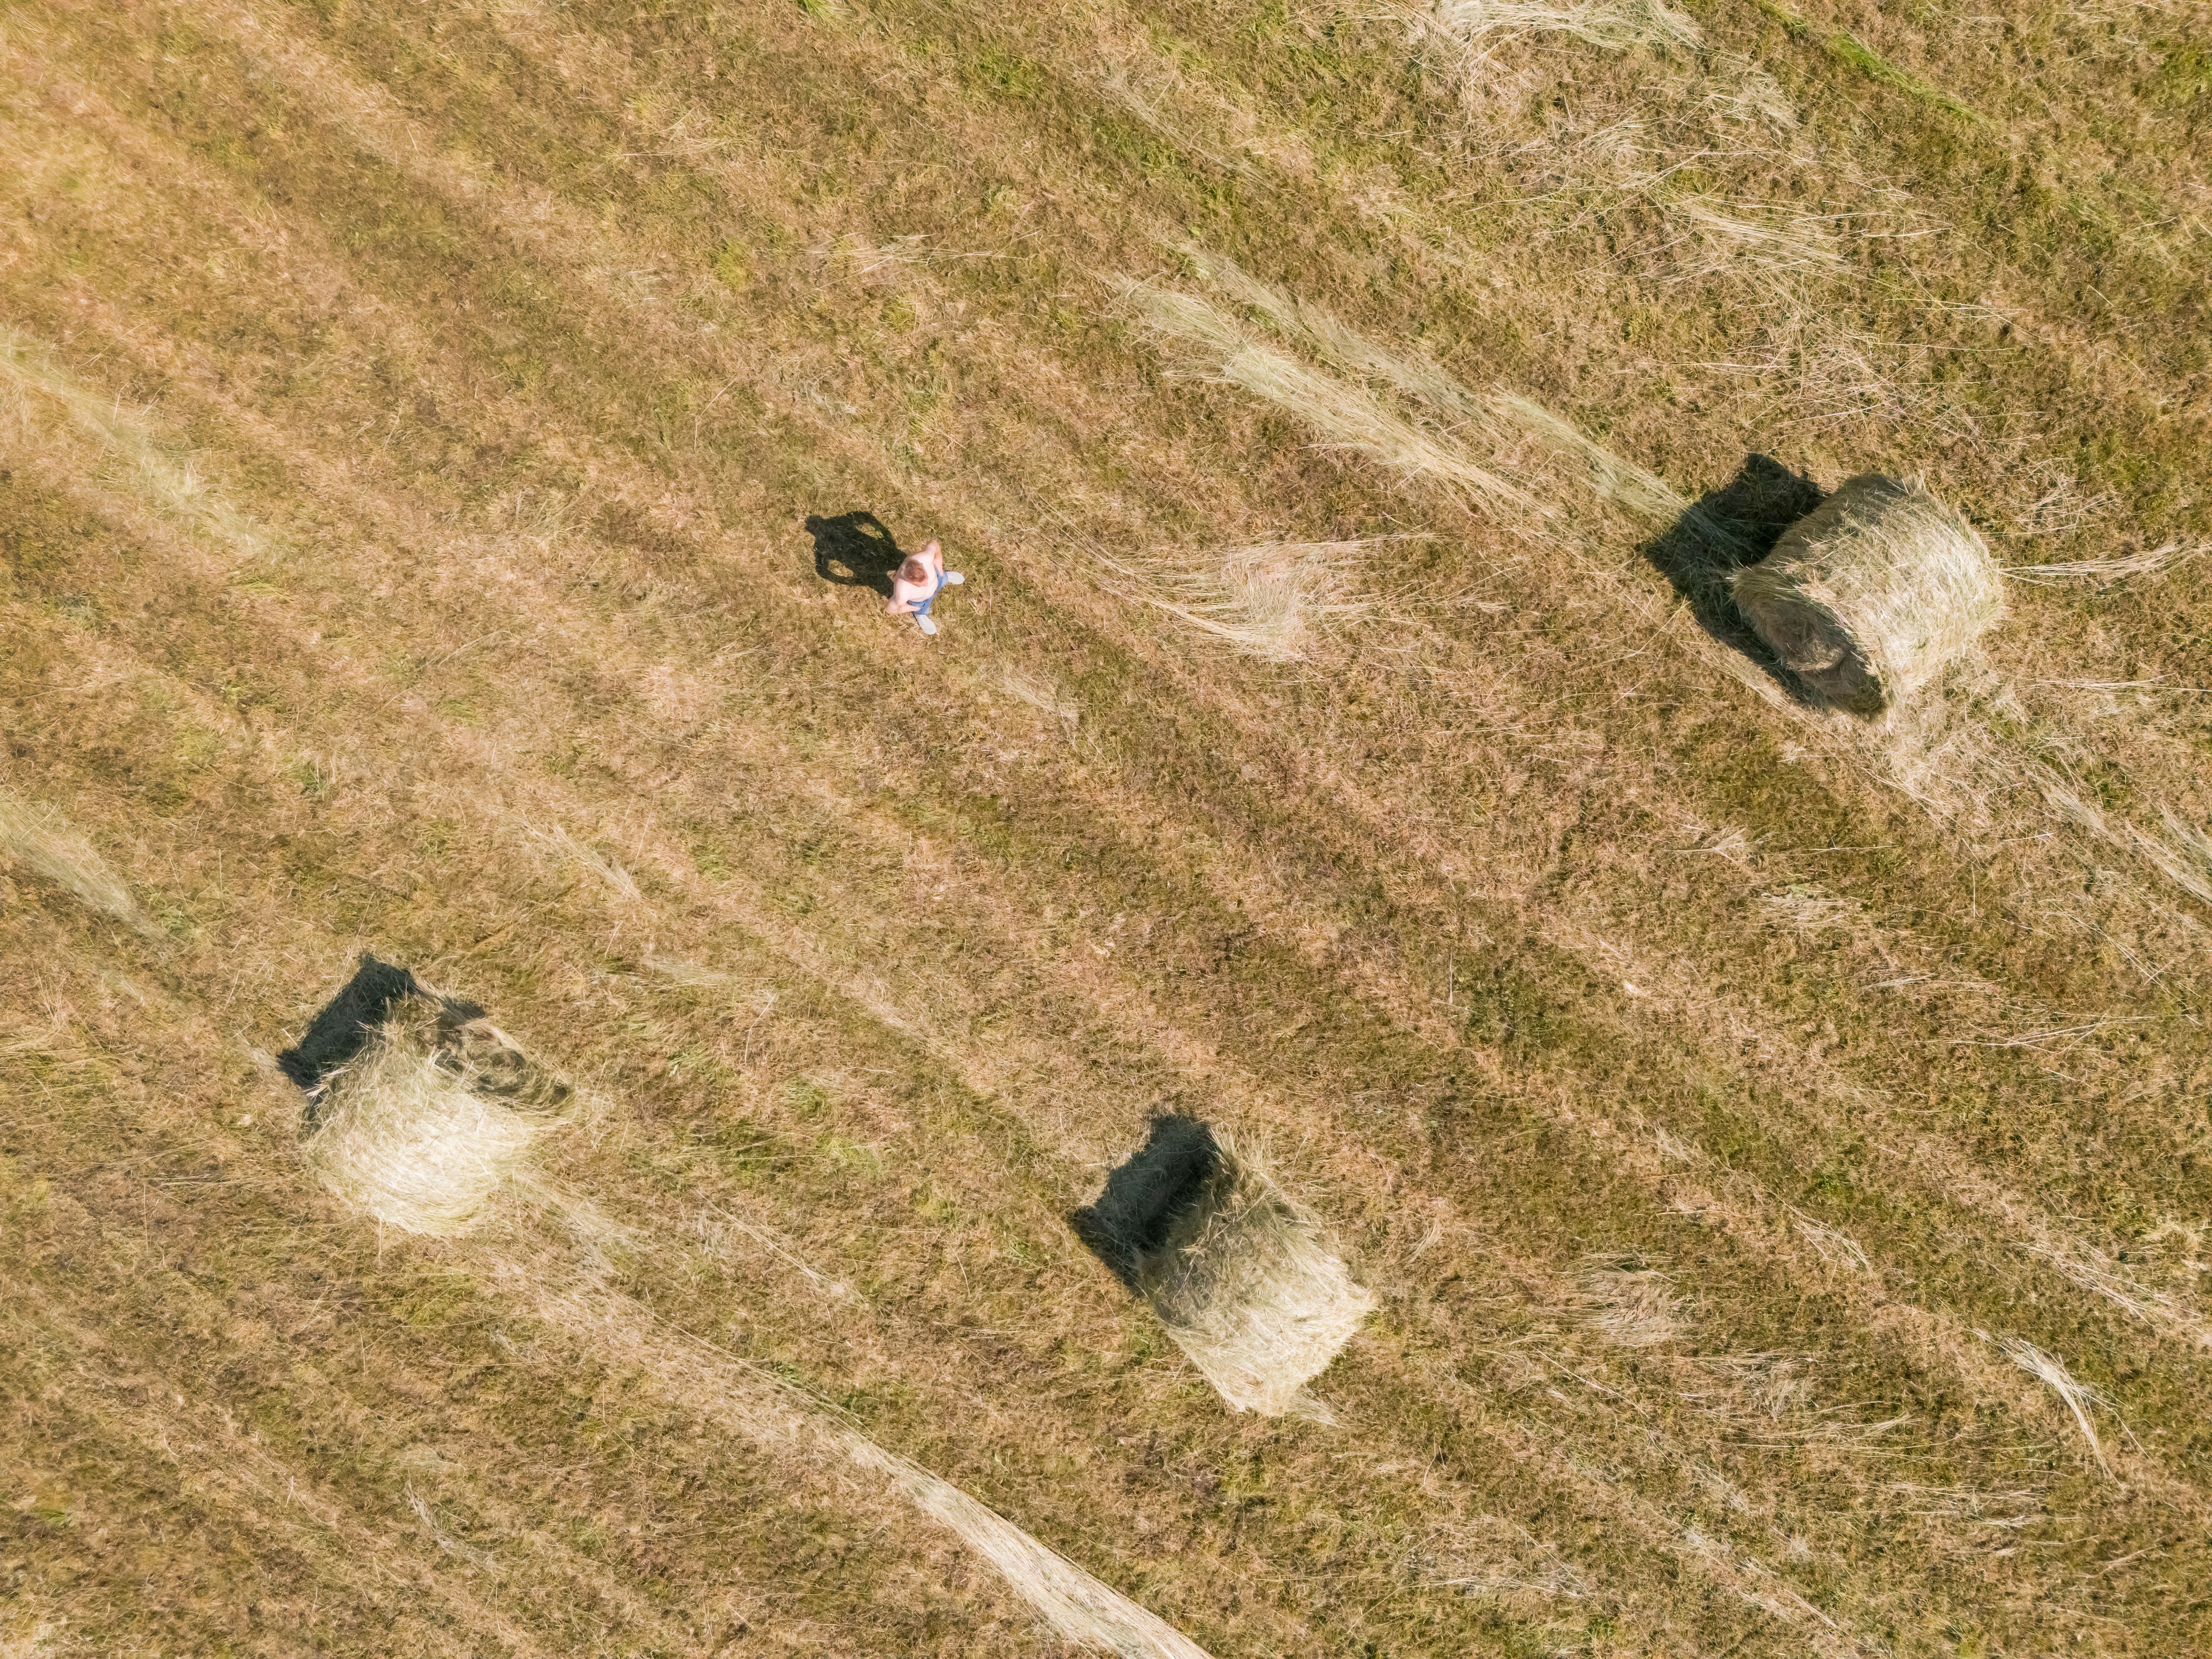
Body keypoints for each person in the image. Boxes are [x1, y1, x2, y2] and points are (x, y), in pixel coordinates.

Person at [884, 538, 962, 636]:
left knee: (941, 575)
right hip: (921, 602)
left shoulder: (926, 557)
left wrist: (938, 557)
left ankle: (945, 577)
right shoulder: (902, 593)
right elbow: (890, 609)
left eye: (926, 577)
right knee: (920, 609)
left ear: (922, 565)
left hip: (938, 579)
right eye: (921, 584)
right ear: (909, 582)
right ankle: (920, 614)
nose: (926, 584)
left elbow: (934, 544)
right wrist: (905, 609)